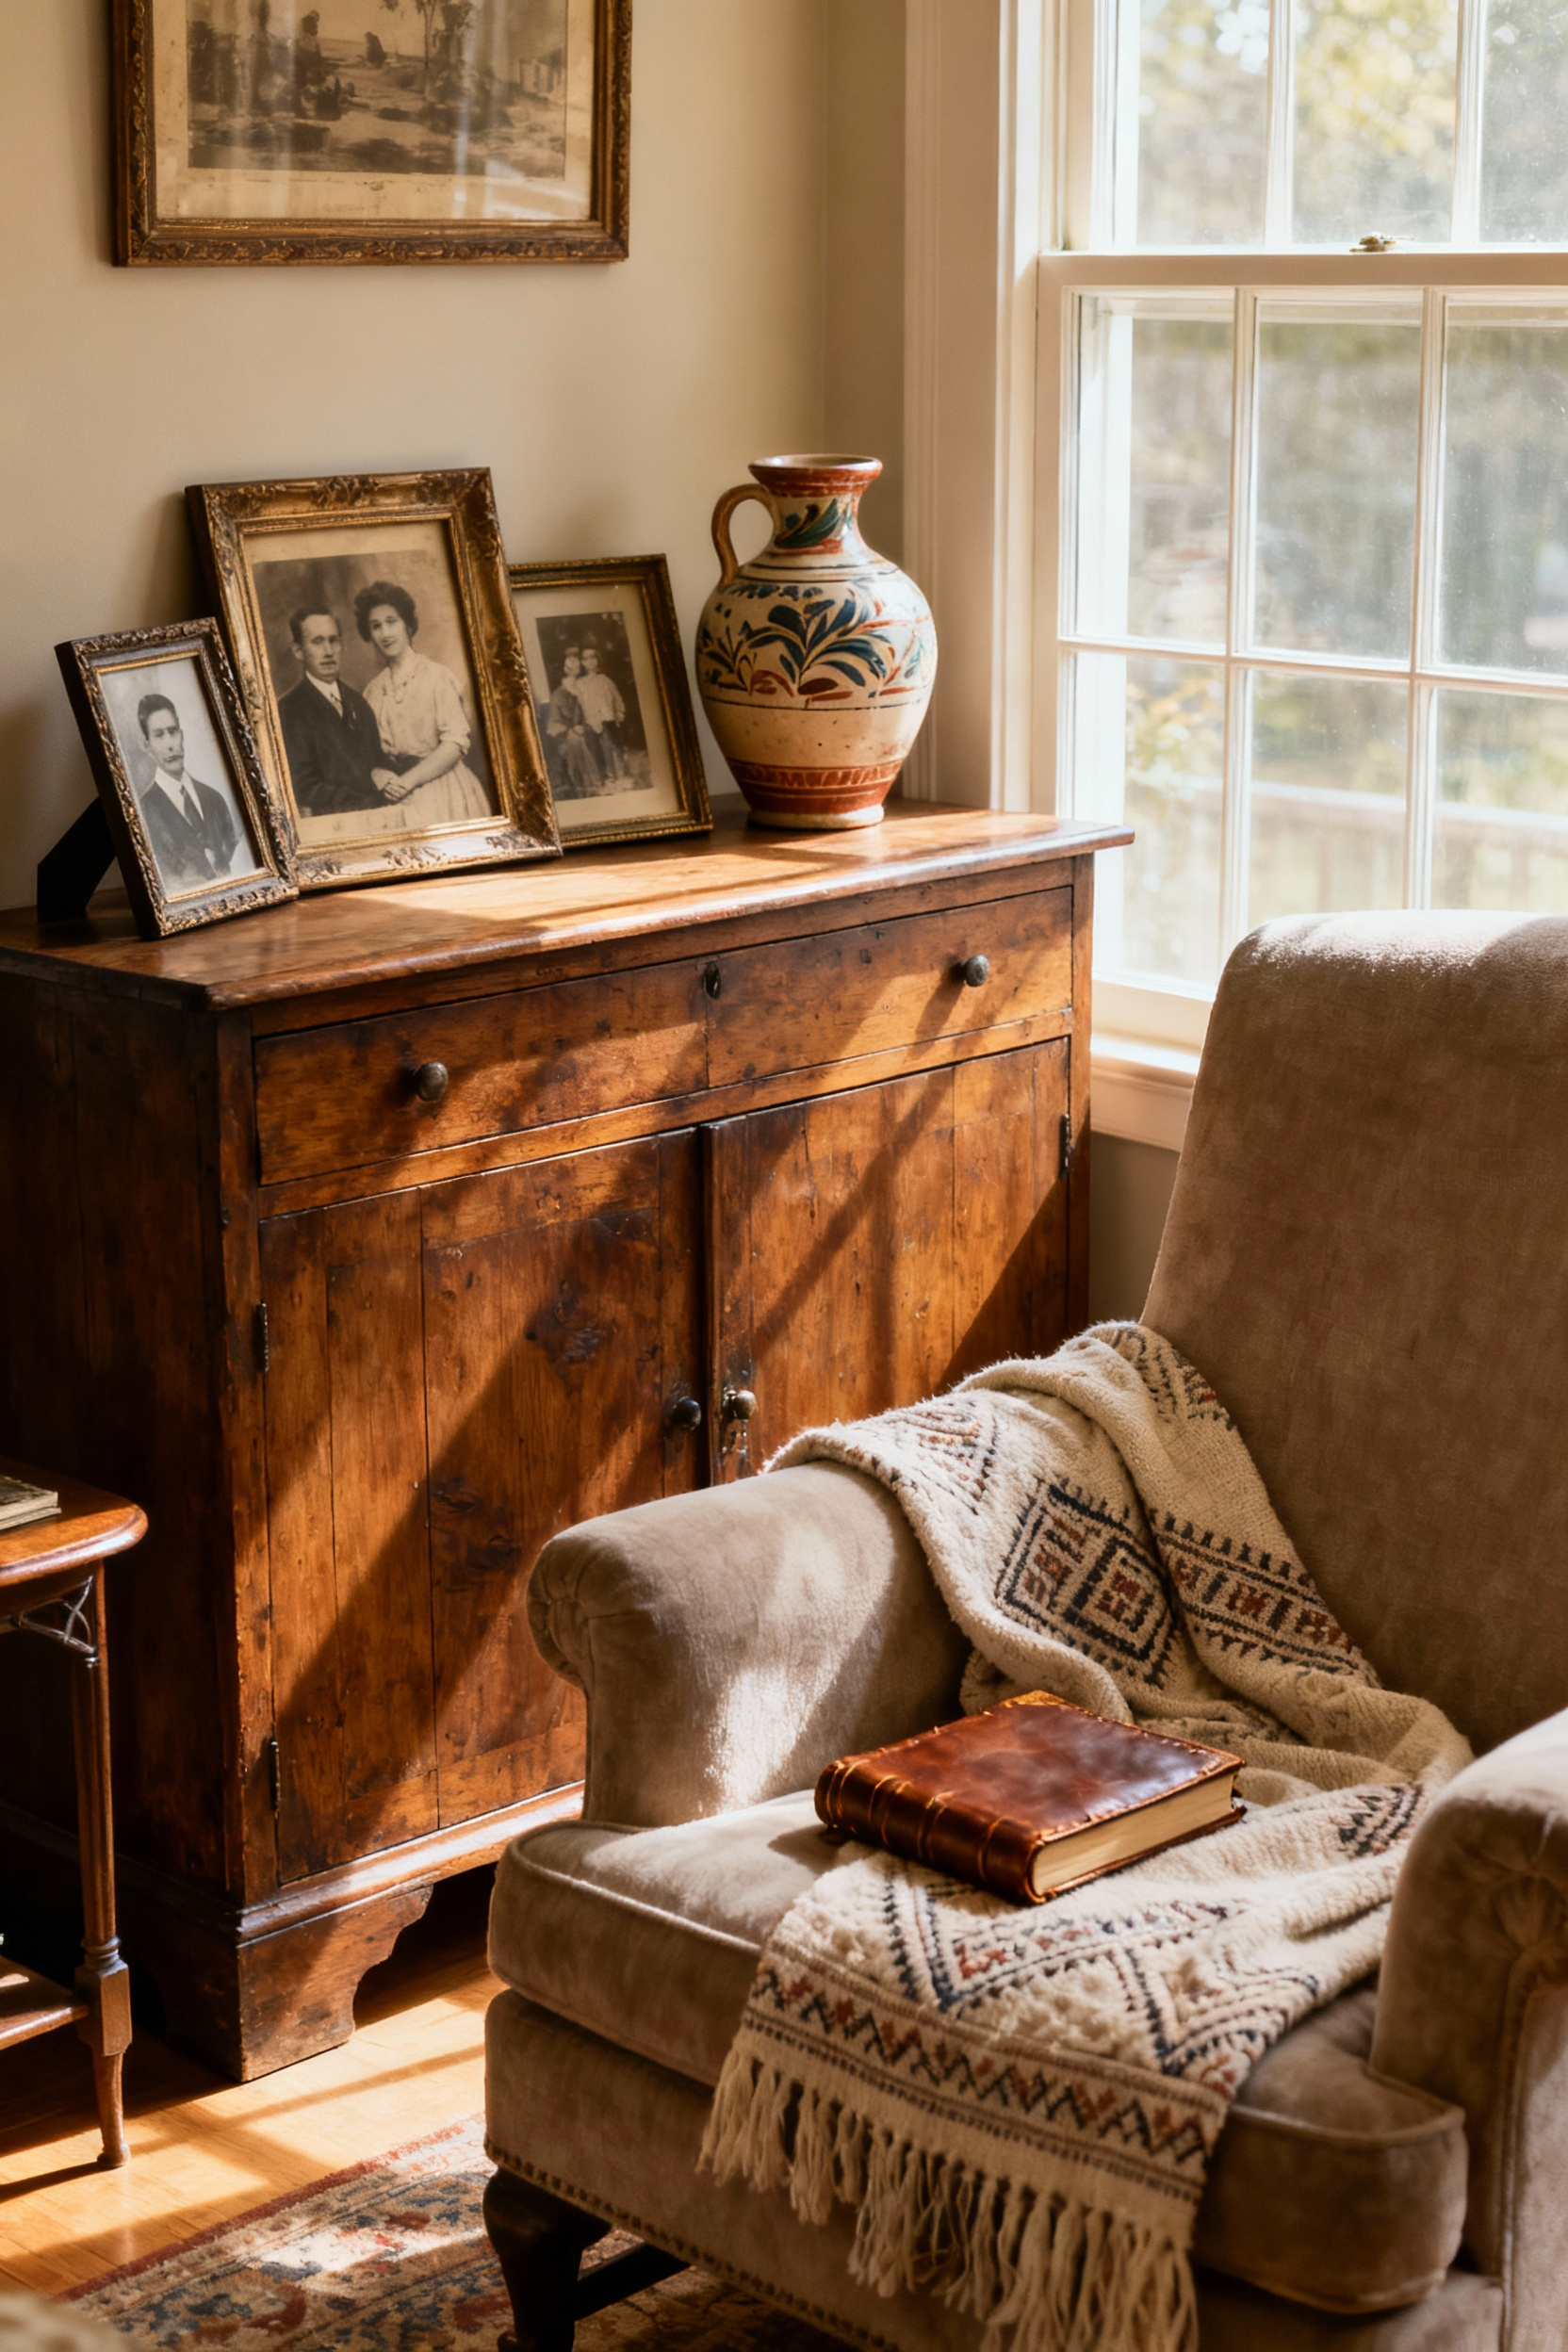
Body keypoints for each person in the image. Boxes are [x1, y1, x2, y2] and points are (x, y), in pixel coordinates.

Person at [354, 580, 491, 825]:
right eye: (376, 626)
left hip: (445, 792)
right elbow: (368, 753)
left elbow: (455, 743)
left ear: (407, 625)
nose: (385, 633)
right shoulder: (372, 691)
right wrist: (379, 774)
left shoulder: (437, 677)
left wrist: (409, 781)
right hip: (395, 795)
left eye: (391, 622)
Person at [277, 607, 397, 817]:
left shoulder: (358, 702)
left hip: (376, 817)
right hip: (329, 822)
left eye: (333, 641)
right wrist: (368, 797)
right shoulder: (289, 709)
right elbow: (303, 786)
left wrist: (388, 775)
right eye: (317, 642)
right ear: (298, 651)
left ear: (341, 645)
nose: (328, 651)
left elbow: (377, 760)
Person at [134, 694, 242, 890]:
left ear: (181, 735)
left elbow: (235, 858)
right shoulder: (143, 813)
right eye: (159, 735)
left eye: (173, 731)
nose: (170, 744)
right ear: (147, 746)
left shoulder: (214, 799)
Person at [542, 648, 601, 799]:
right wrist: (572, 729)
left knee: (592, 734)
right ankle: (585, 786)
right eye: (570, 663)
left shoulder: (585, 688)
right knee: (576, 741)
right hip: (566, 737)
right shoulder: (558, 695)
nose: (574, 665)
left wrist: (585, 726)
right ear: (564, 669)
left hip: (586, 730)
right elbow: (554, 723)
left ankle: (595, 783)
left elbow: (590, 713)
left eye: (576, 661)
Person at [571, 643, 629, 784]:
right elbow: (578, 705)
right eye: (586, 659)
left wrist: (618, 713)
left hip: (607, 720)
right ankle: (602, 775)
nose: (590, 661)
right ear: (582, 662)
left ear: (598, 659)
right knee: (595, 748)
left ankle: (616, 773)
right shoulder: (580, 684)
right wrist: (578, 723)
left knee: (610, 744)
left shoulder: (605, 680)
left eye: (593, 657)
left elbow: (617, 700)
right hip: (590, 721)